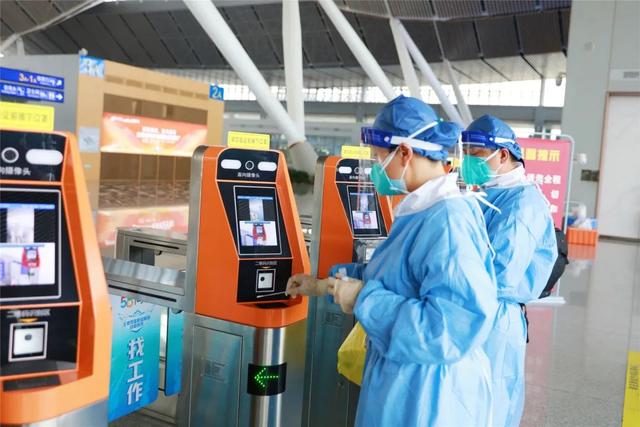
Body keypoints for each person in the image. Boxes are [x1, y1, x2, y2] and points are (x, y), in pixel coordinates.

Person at [287, 95, 498, 426]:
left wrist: (363, 298)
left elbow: (446, 329)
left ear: (404, 153)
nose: (376, 168)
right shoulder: (421, 211)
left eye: (378, 157)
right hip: (404, 375)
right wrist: (327, 285)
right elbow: (396, 275)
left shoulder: (447, 221)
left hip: (426, 392)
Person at [461, 115, 558, 427]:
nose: (467, 161)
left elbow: (500, 273)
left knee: (490, 406)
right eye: (465, 154)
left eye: (475, 154)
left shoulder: (523, 203)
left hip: (497, 318)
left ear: (502, 155)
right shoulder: (487, 194)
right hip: (476, 306)